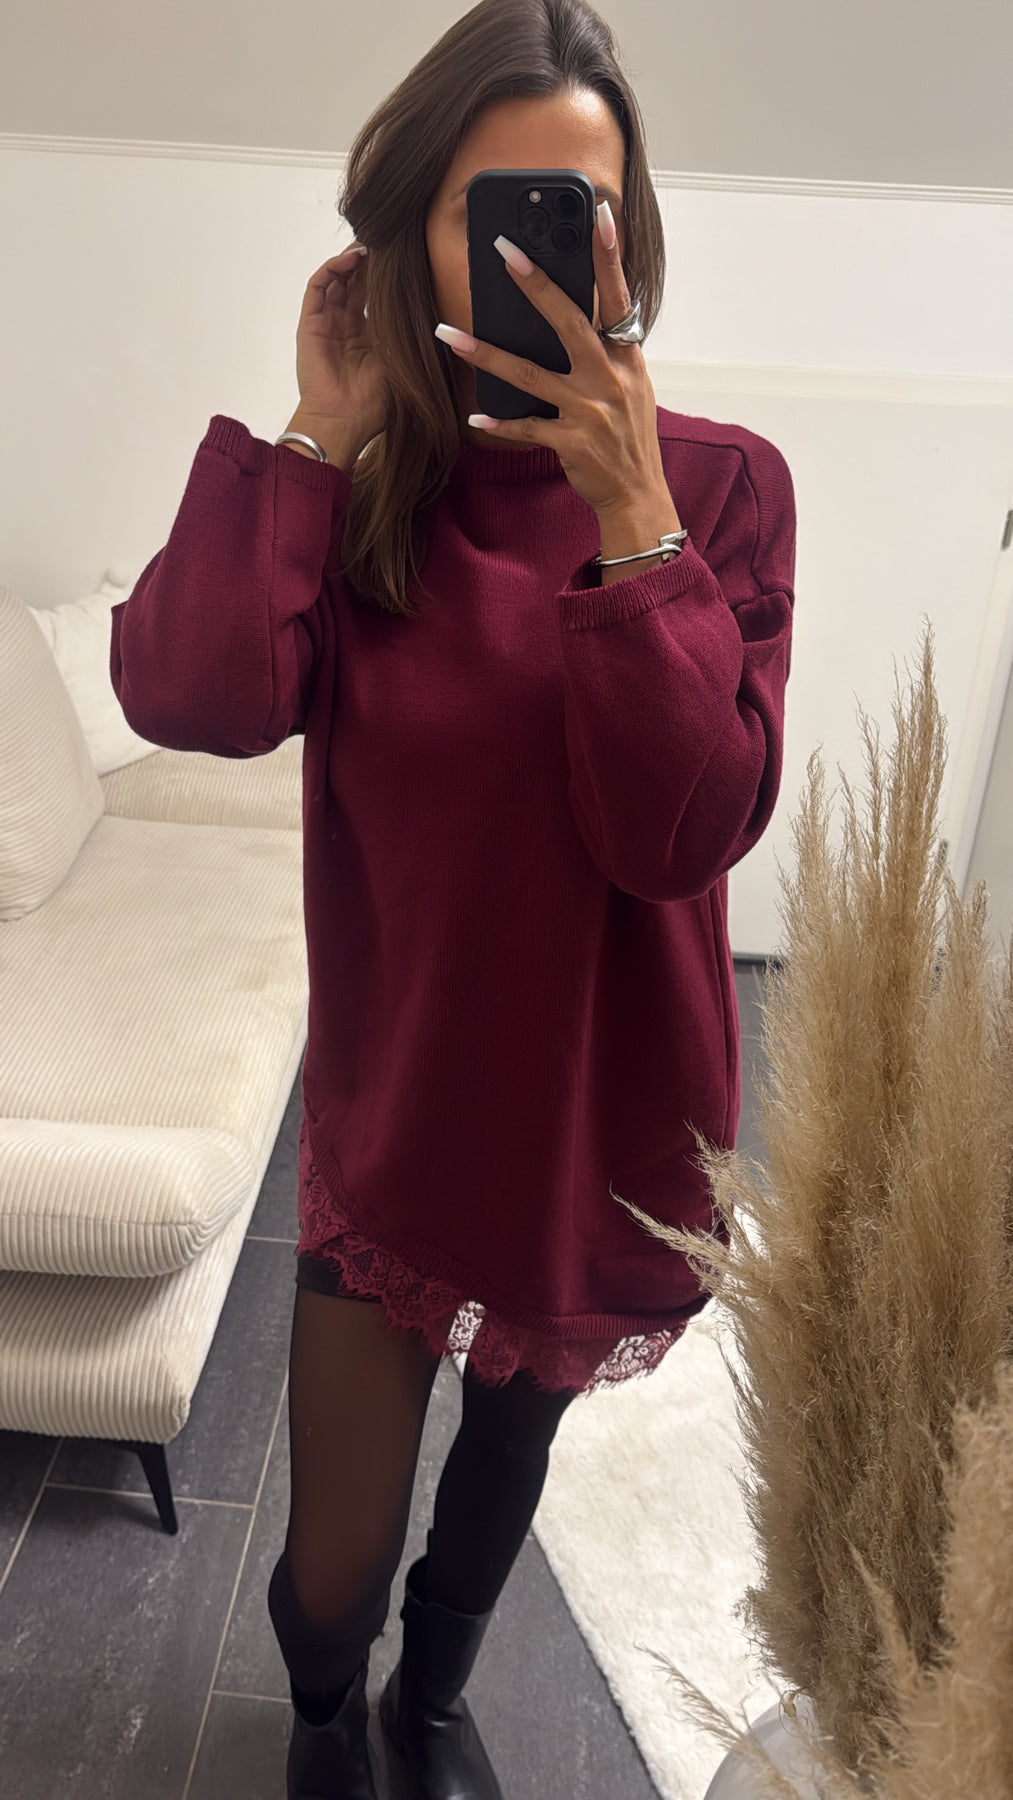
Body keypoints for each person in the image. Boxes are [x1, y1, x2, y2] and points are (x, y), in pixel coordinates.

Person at [109, 1, 796, 1794]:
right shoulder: (357, 502)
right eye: (496, 212)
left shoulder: (722, 492)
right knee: (328, 1562)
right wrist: (311, 434)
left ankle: (433, 1700)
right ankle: (326, 1710)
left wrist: (632, 521)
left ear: (631, 234)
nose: (545, 256)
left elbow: (684, 831)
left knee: (503, 1473)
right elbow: (189, 695)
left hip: (604, 1118)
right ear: (408, 234)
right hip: (405, 1106)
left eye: (584, 210)